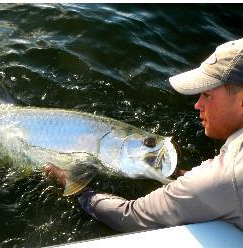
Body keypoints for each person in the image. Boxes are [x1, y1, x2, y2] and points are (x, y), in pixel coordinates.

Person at [46, 38, 243, 232]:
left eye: (207, 95)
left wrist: (77, 188)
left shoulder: (226, 176)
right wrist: (184, 177)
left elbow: (130, 216)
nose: (197, 105)